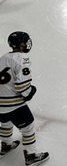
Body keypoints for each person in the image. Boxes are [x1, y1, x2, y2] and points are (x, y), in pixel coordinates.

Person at [0, 32, 50, 166]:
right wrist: (29, 92)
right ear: (21, 45)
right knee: (28, 127)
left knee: (5, 123)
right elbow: (22, 85)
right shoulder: (22, 58)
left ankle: (6, 145)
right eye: (25, 42)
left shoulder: (3, 57)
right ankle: (31, 155)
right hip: (14, 103)